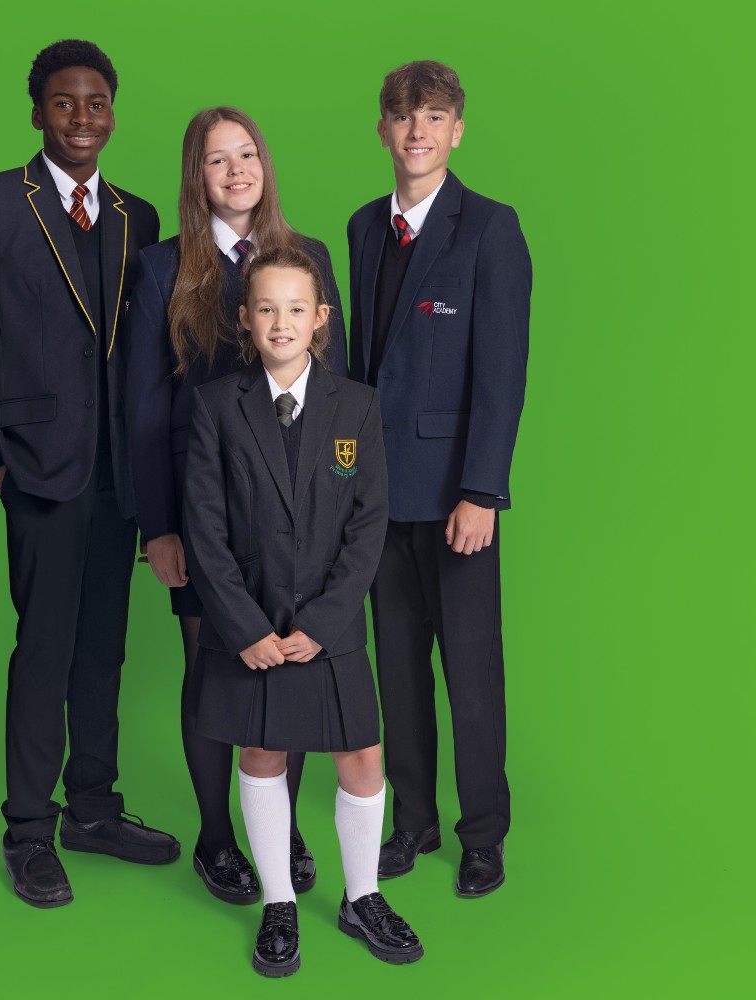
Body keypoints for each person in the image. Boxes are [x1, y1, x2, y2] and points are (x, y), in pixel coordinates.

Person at [0, 39, 179, 909]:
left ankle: (94, 809)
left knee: (104, 651)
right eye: (67, 103)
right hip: (37, 473)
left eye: (99, 102)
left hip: (118, 478)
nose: (85, 117)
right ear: (38, 111)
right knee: (43, 651)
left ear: (114, 112)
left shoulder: (136, 217)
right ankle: (29, 832)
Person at [126, 107, 348, 904]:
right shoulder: (161, 269)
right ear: (197, 176)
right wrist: (160, 525)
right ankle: (217, 840)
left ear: (265, 163)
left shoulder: (310, 257)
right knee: (211, 670)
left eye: (246, 153)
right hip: (204, 511)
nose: (236, 170)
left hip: (297, 514)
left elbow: (339, 400)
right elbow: (145, 406)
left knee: (289, 669)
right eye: (217, 160)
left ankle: (278, 835)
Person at [183, 247, 422, 976]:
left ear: (320, 319)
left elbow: (368, 525)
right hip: (249, 624)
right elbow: (206, 527)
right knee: (261, 753)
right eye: (265, 308)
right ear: (244, 320)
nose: (280, 322)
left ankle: (362, 896)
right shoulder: (217, 407)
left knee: (362, 757)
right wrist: (247, 628)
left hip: (330, 626)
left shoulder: (358, 406)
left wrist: (320, 623)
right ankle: (279, 903)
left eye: (295, 308)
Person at [347, 60, 531, 896]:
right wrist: (346, 477)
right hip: (378, 497)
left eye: (433, 116)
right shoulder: (359, 229)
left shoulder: (490, 228)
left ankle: (482, 832)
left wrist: (482, 491)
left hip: (458, 497)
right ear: (382, 129)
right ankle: (413, 820)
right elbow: (357, 371)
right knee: (397, 667)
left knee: (470, 669)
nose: (416, 131)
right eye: (402, 116)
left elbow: (501, 373)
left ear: (457, 130)